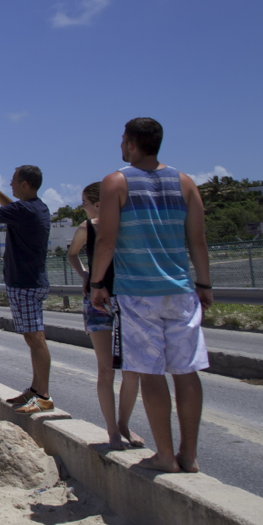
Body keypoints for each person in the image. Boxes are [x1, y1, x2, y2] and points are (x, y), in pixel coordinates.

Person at [91, 118, 212, 473]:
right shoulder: (185, 182)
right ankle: (189, 455)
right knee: (187, 372)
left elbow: (108, 239)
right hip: (181, 291)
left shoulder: (117, 182)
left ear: (130, 143)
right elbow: (198, 241)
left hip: (137, 293)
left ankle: (165, 455)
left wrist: (98, 284)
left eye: (122, 140)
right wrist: (203, 285)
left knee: (150, 373)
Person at [0, 167, 53, 412]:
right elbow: (10, 209)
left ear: (25, 184)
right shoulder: (35, 207)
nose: (11, 186)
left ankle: (44, 396)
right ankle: (36, 390)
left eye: (14, 182)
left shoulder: (26, 210)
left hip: (26, 283)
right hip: (28, 280)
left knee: (36, 339)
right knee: (31, 337)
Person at [68, 183, 143, 452]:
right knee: (106, 369)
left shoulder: (128, 225)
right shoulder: (86, 228)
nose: (82, 207)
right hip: (97, 303)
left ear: (99, 203)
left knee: (132, 371)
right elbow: (72, 254)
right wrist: (85, 274)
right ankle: (112, 430)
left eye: (85, 202)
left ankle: (123, 424)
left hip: (127, 301)